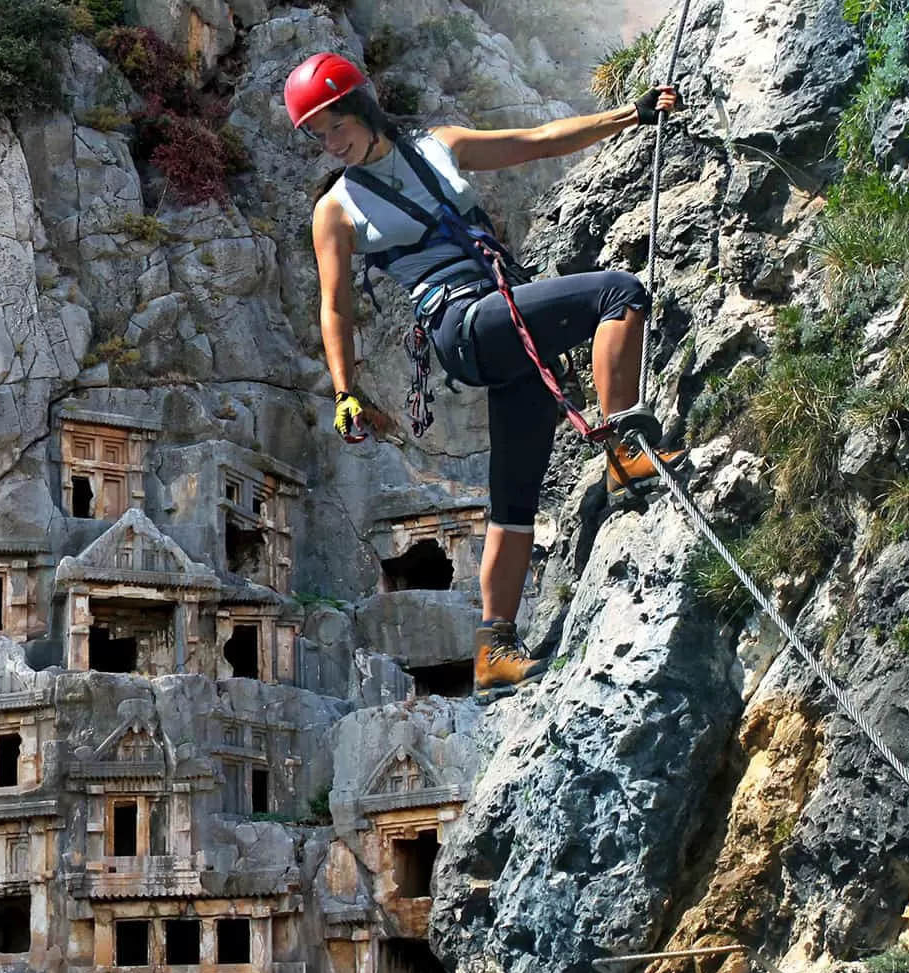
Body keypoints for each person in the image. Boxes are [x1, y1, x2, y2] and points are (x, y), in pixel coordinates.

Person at [286, 53, 685, 703]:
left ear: (362, 105)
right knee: (619, 293)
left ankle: (494, 648)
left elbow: (535, 142)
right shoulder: (335, 208)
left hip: (503, 320)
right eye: (318, 136)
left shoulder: (440, 147)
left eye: (334, 126)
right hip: (462, 326)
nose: (331, 143)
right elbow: (335, 307)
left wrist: (631, 115)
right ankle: (623, 450)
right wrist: (344, 391)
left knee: (515, 492)